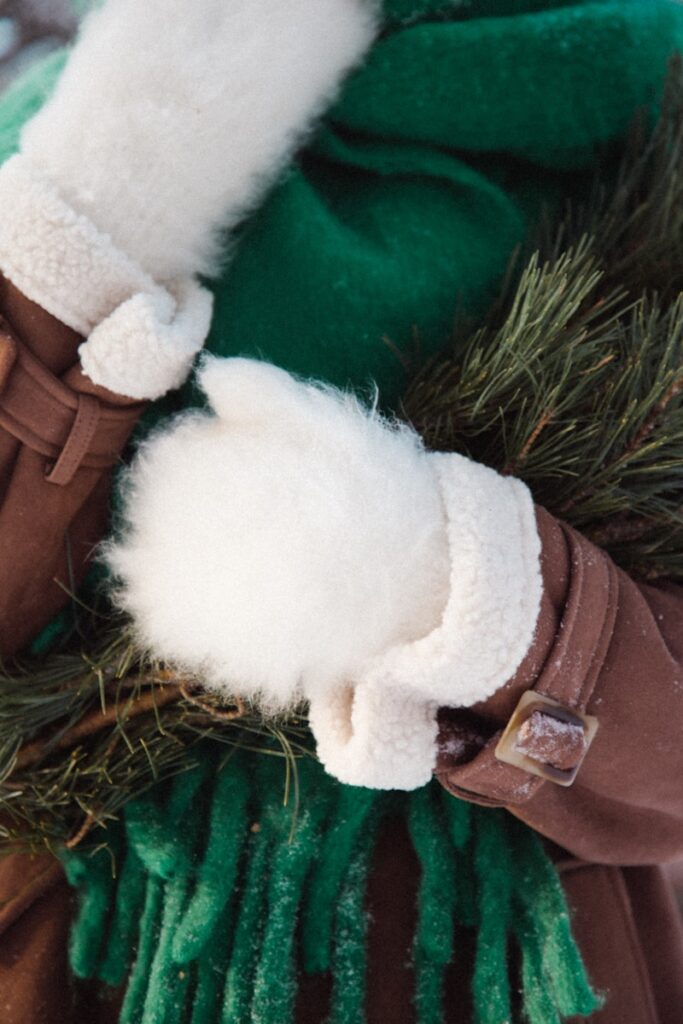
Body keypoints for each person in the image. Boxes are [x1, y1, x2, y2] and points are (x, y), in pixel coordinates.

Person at [0, 1, 682, 1021]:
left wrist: (450, 588)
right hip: (86, 949)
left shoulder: (652, 143)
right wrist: (89, 223)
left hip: (496, 967)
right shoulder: (73, 122)